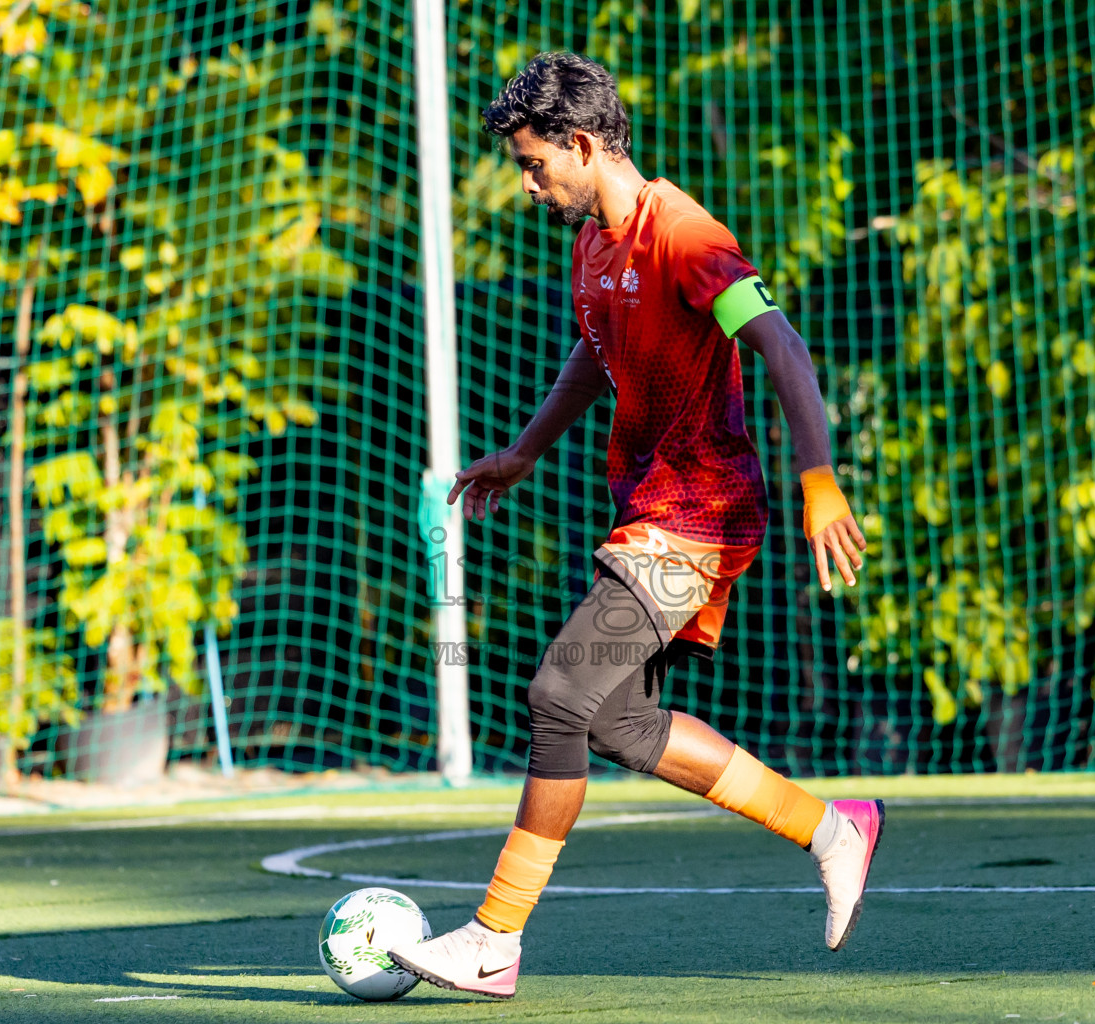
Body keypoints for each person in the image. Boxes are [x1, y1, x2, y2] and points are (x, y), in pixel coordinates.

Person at [390, 51, 881, 1000]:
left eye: (535, 165)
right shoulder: (593, 246)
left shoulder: (685, 235)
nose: (528, 186)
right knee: (613, 722)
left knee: (559, 694)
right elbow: (594, 347)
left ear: (580, 144)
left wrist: (820, 479)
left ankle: (494, 938)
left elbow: (780, 343)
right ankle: (833, 828)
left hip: (703, 511)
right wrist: (527, 449)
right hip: (652, 510)